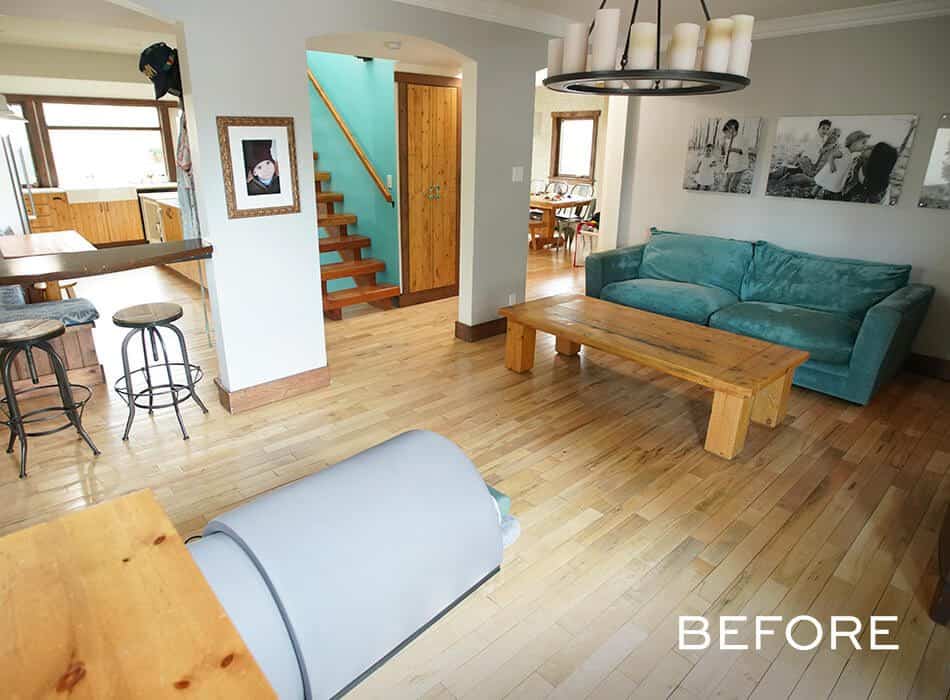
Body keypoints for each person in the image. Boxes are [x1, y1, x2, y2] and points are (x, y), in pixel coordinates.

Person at [814, 130, 869, 200]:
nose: (865, 146)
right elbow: (831, 156)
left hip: (837, 176)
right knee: (826, 185)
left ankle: (823, 194)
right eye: (863, 143)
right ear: (854, 142)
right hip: (833, 173)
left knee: (830, 186)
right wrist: (832, 165)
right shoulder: (844, 151)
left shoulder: (849, 155)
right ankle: (820, 195)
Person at [720, 119, 750, 193]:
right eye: (725, 133)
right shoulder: (728, 140)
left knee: (733, 186)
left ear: (733, 129)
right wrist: (722, 147)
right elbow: (725, 153)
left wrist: (732, 149)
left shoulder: (742, 139)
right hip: (731, 166)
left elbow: (743, 151)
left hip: (739, 167)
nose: (726, 135)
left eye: (727, 132)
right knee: (725, 185)